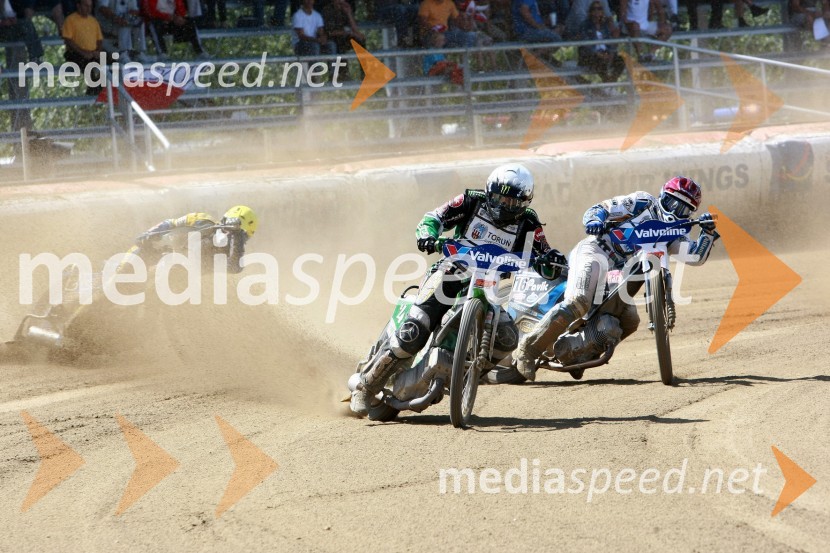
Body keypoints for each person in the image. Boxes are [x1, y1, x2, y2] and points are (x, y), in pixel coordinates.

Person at [351, 163, 567, 414]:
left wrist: (552, 261)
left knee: (509, 338)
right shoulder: (469, 201)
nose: (504, 206)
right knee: (414, 329)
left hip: (489, 288)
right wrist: (428, 235)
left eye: (512, 202)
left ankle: (467, 373)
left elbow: (546, 255)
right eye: (499, 198)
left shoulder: (529, 223)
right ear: (489, 191)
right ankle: (365, 387)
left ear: (524, 203)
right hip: (451, 273)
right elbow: (433, 218)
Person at [514, 176, 719, 381]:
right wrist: (595, 220)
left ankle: (578, 353)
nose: (674, 211)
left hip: (617, 274)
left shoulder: (674, 233)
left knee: (630, 320)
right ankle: (528, 350)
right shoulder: (642, 202)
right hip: (596, 251)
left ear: (691, 213)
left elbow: (694, 256)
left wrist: (707, 233)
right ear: (661, 195)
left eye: (683, 209)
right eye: (671, 202)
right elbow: (602, 208)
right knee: (579, 301)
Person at [130, 206, 258, 273]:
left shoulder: (230, 255)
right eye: (230, 231)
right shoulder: (202, 220)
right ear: (224, 221)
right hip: (164, 254)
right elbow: (172, 223)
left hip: (182, 284)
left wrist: (236, 235)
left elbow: (234, 268)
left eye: (239, 236)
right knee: (138, 253)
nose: (230, 237)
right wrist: (150, 233)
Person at [61, 0, 105, 95]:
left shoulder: (93, 21)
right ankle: (93, 90)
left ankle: (101, 89)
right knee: (87, 63)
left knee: (111, 61)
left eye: (90, 6)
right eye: (86, 5)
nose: (88, 8)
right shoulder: (70, 20)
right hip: (75, 53)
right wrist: (83, 52)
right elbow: (68, 40)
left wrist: (98, 51)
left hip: (92, 53)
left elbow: (99, 39)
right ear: (78, 6)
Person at [577, 0, 625, 83]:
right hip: (591, 55)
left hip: (604, 53)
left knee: (621, 60)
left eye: (599, 9)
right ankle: (607, 82)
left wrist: (610, 53)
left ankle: (612, 81)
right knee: (600, 61)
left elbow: (610, 42)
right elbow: (586, 44)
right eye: (594, 9)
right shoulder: (585, 25)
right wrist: (599, 54)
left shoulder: (605, 25)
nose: (597, 11)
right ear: (590, 11)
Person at [143, 0, 209, 58]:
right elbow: (150, 12)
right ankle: (162, 53)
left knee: (189, 24)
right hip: (156, 21)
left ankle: (200, 52)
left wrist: (179, 17)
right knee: (154, 24)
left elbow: (181, 8)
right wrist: (166, 17)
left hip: (171, 21)